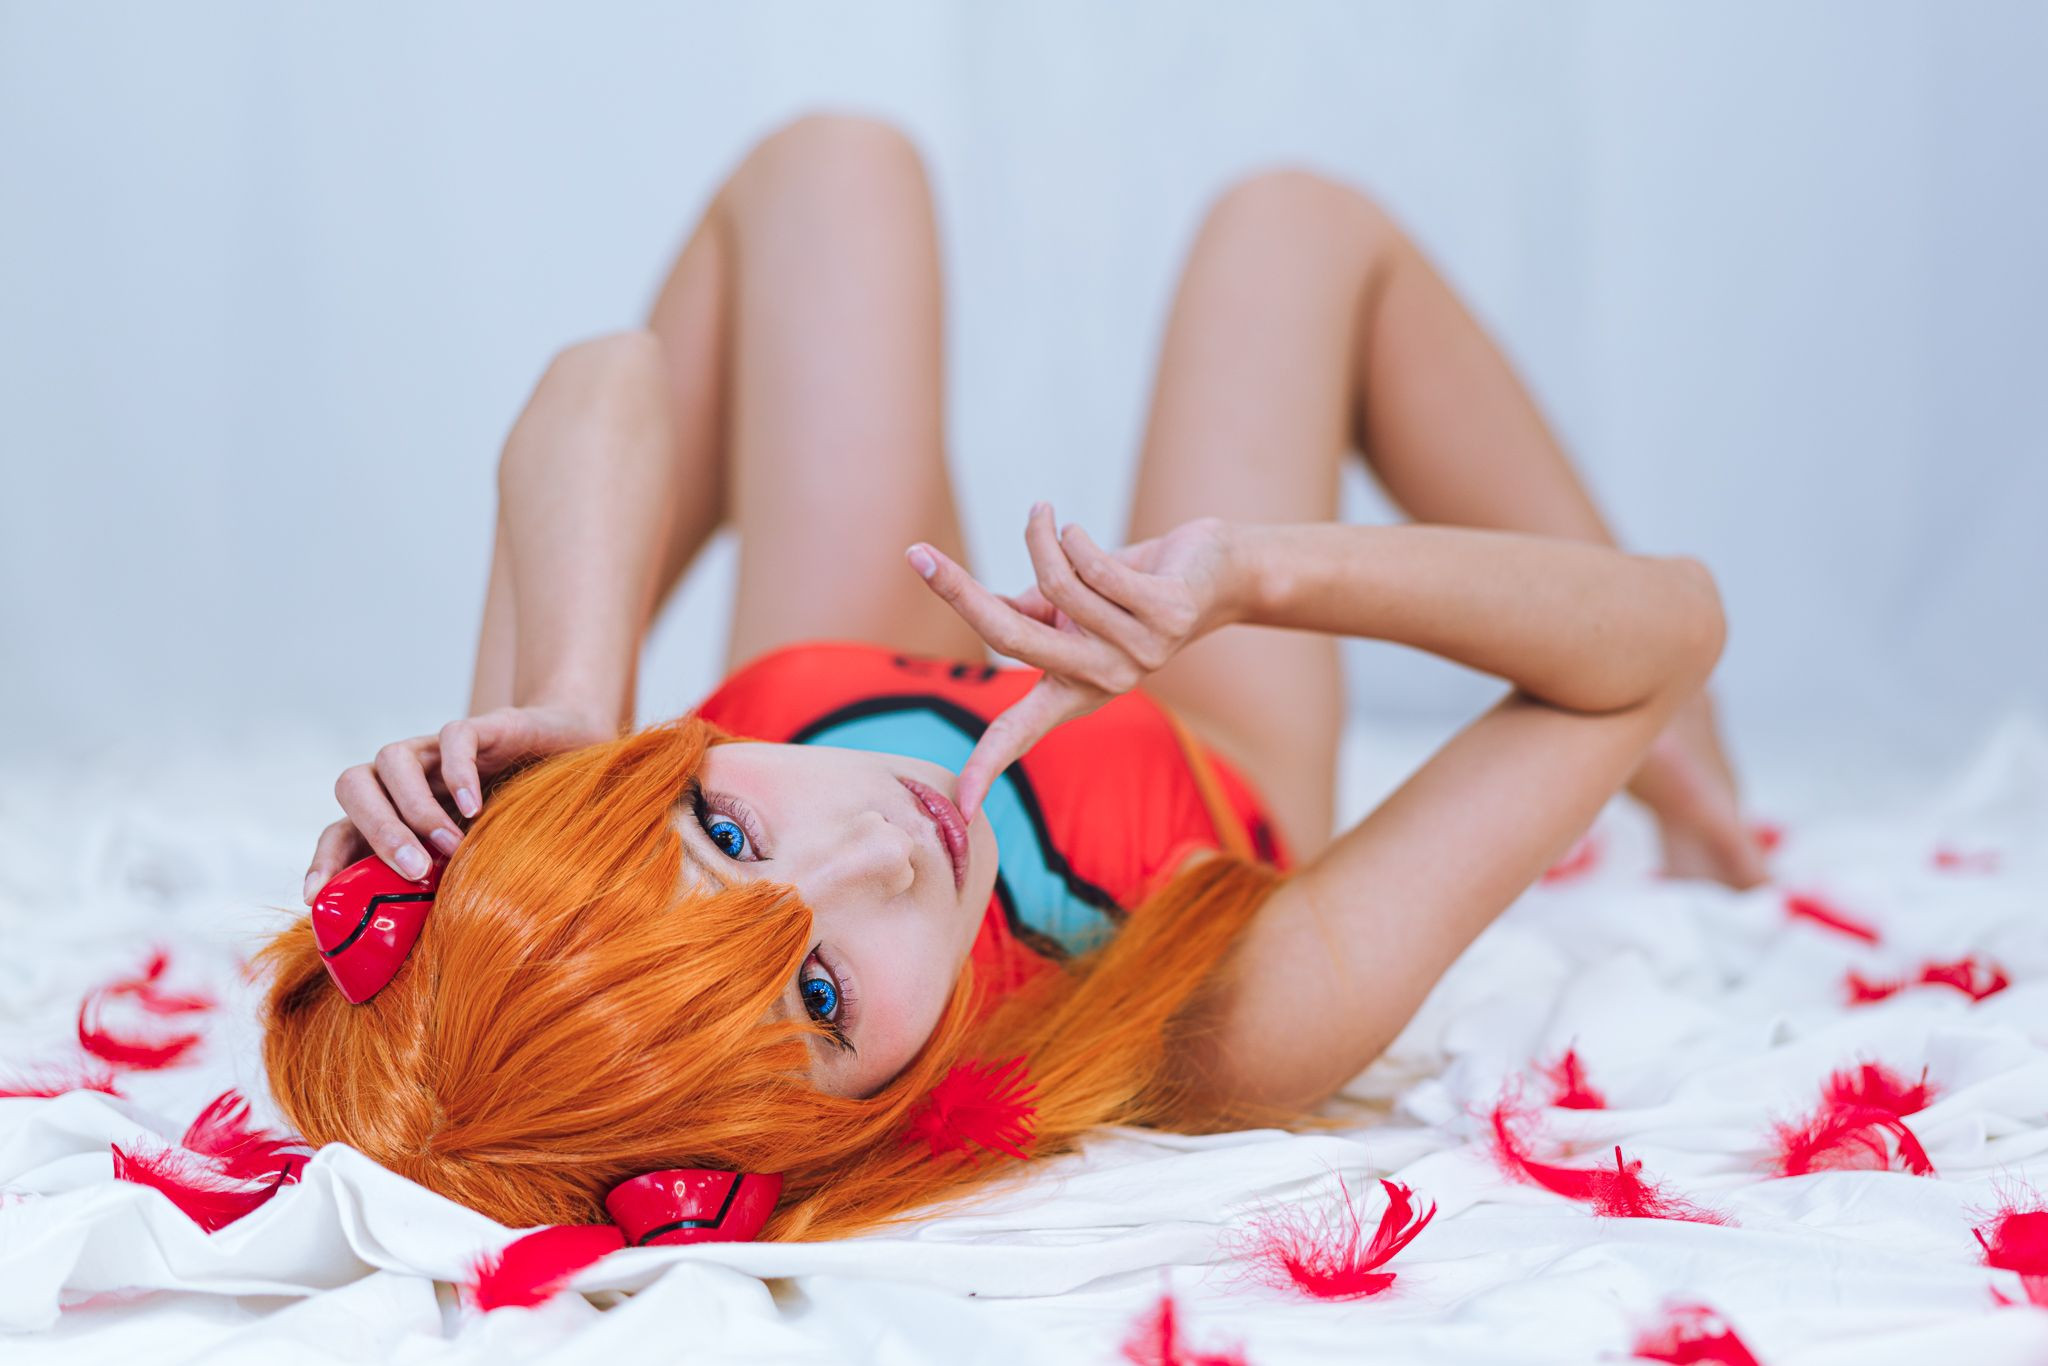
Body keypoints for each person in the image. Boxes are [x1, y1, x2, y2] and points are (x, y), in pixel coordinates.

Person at [263, 112, 1766, 1241]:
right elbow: (1671, 625)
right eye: (823, 992)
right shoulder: (1231, 1025)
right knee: (1295, 228)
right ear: (829, 1137)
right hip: (1203, 724)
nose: (877, 848)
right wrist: (1254, 579)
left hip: (825, 671)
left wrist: (580, 727)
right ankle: (1690, 766)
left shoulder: (626, 821)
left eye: (723, 830)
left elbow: (605, 377)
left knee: (831, 170)